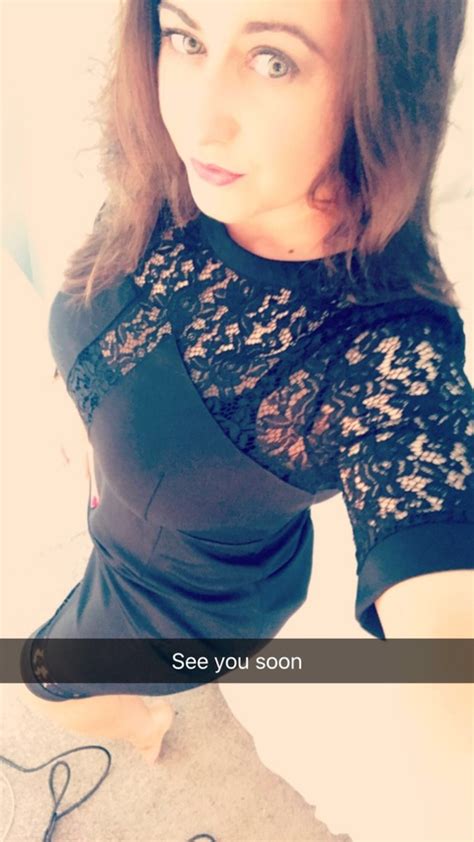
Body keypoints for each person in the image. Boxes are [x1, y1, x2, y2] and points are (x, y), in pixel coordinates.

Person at [18, 0, 473, 786]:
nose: (198, 120)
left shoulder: (386, 353)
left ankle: (145, 719)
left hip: (192, 606)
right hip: (124, 528)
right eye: (186, 37)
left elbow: (446, 631)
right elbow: (104, 310)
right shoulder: (178, 173)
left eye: (274, 60)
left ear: (386, 83)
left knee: (42, 683)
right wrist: (80, 398)